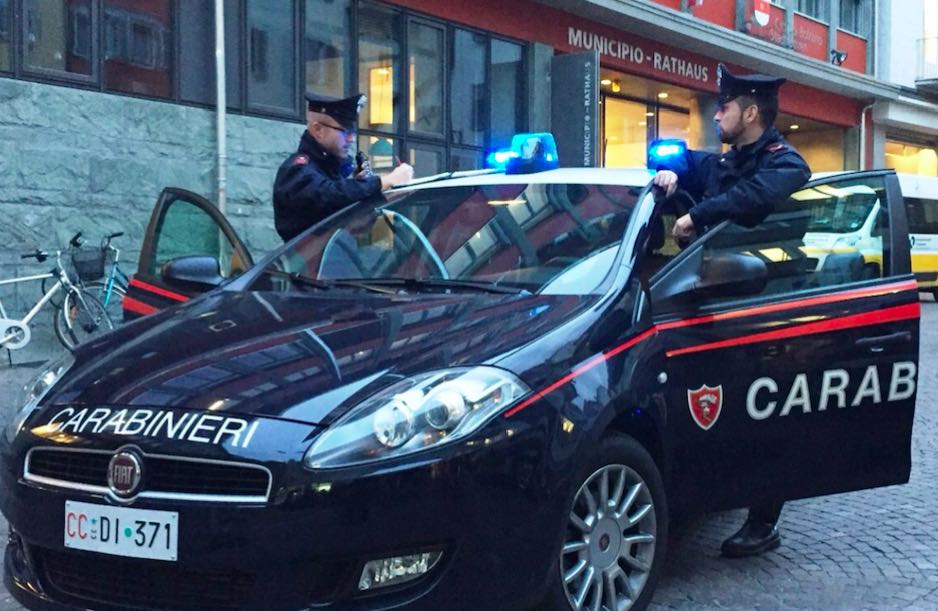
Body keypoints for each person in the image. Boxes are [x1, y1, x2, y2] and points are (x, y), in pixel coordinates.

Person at [653, 64, 811, 558]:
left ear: (750, 111)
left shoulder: (785, 163)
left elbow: (755, 196)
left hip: (766, 308)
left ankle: (764, 520)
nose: (716, 112)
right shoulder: (722, 163)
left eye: (724, 106)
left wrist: (697, 214)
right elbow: (683, 165)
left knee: (763, 413)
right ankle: (712, 489)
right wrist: (667, 177)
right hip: (712, 301)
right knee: (716, 407)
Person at [273, 92, 414, 242]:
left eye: (352, 132)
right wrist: (384, 182)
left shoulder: (330, 171)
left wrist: (381, 193)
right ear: (318, 130)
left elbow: (351, 222)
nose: (351, 139)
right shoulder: (297, 169)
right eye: (344, 131)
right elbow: (328, 195)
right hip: (306, 262)